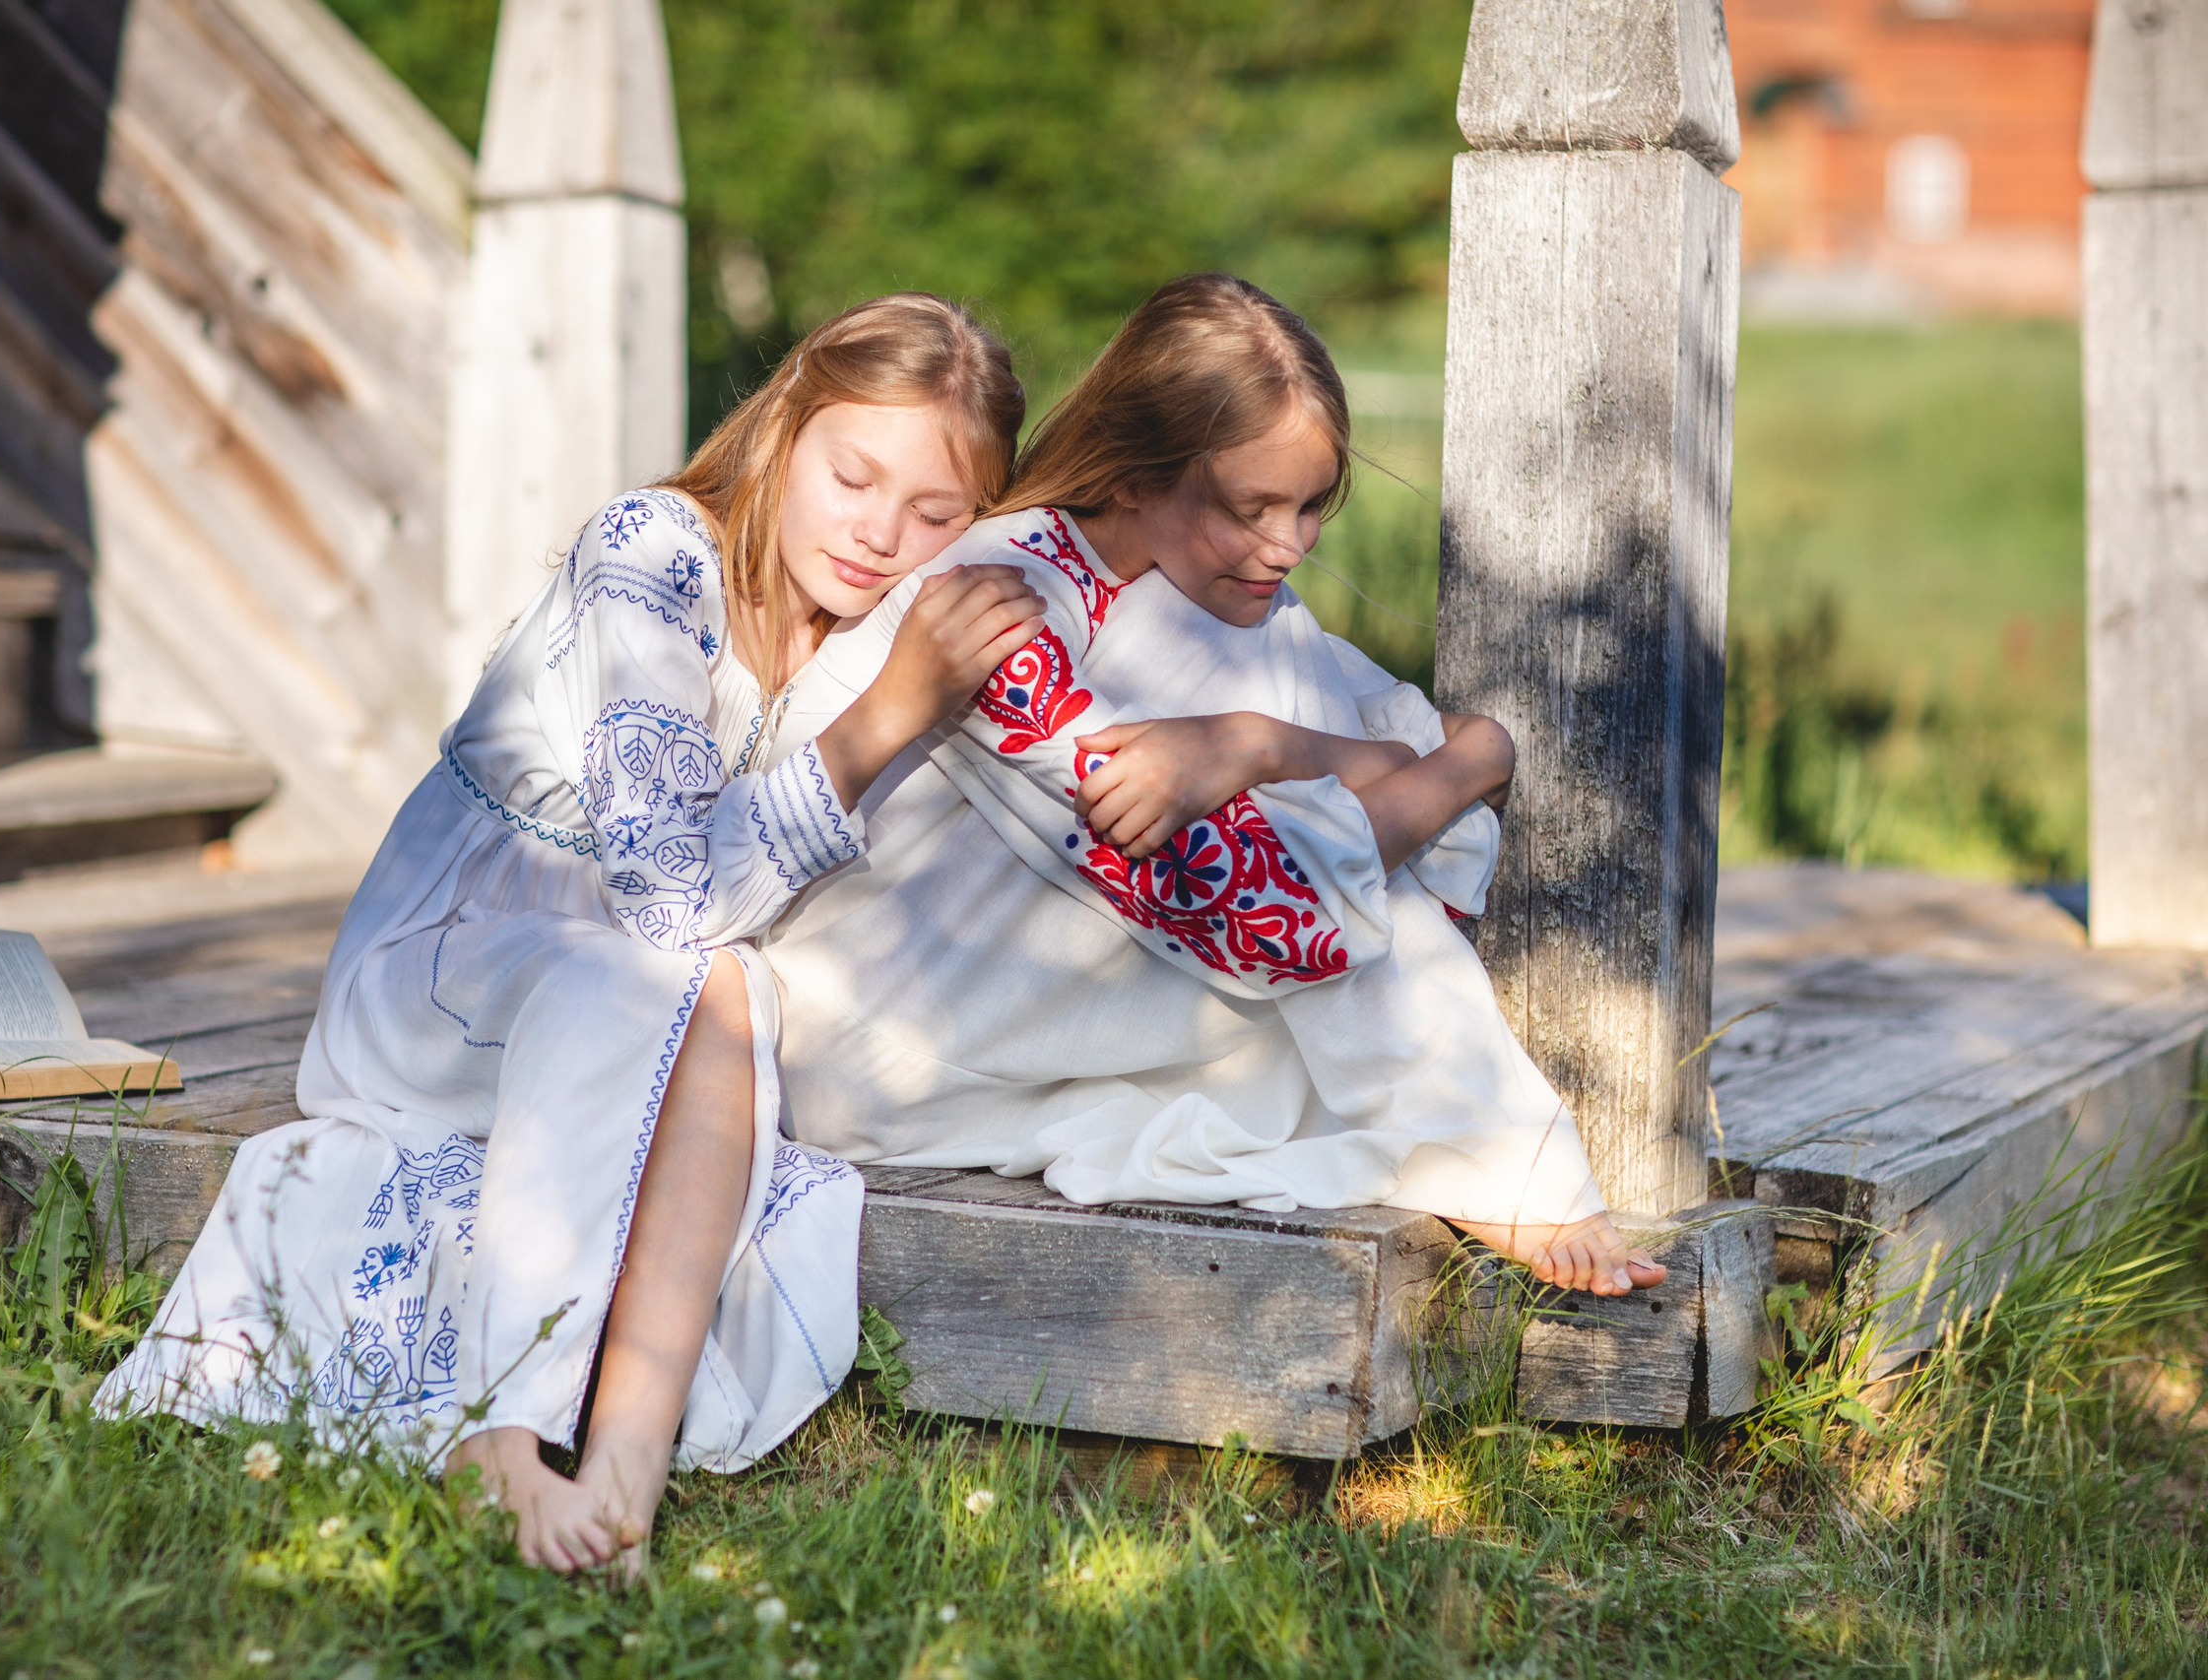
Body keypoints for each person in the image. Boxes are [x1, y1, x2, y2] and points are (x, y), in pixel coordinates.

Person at [96, 293, 1037, 1576]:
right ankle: (505, 1432)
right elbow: (668, 896)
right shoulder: (653, 552)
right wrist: (887, 717)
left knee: (734, 996)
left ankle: (622, 1476)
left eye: (935, 514)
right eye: (854, 474)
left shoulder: (855, 632)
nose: (881, 532)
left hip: (614, 983)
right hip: (444, 967)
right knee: (665, 971)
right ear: (787, 425)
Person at [760, 275, 1669, 1295]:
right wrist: (1460, 763)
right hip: (887, 1041)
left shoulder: (1215, 608)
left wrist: (1248, 743)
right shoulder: (997, 603)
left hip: (1028, 1009)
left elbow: (1433, 742)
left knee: (1302, 809)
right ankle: (1509, 1163)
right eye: (1249, 508)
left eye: (1311, 505)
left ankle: (1486, 1151)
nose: (1286, 546)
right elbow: (1260, 900)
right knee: (1327, 909)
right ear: (1136, 475)